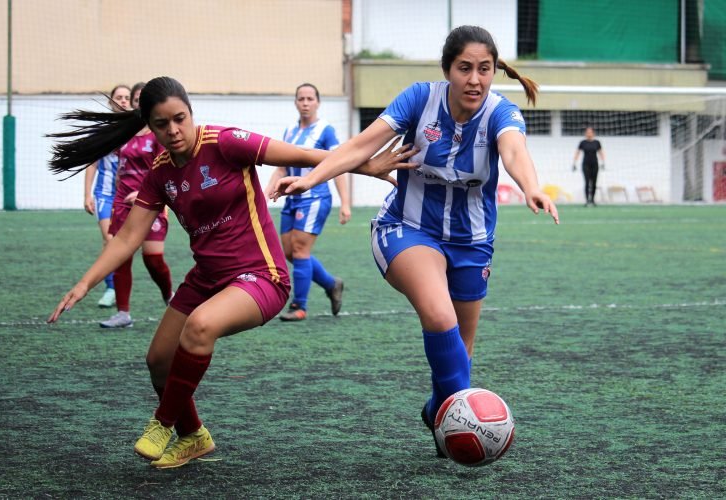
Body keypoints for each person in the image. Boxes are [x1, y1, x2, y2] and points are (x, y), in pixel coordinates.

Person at [46, 76, 415, 469]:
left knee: (200, 327)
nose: (173, 131)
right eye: (161, 124)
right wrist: (85, 282)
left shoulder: (224, 142)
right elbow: (126, 239)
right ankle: (192, 437)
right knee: (158, 360)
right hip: (206, 278)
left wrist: (366, 165)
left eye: (179, 118)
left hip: (262, 276)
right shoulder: (160, 172)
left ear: (190, 112)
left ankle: (162, 422)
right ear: (149, 126)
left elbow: (304, 154)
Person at [271, 26, 559, 459]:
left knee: (460, 353)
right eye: (465, 69)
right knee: (438, 313)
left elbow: (515, 151)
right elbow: (359, 146)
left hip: (473, 243)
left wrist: (531, 186)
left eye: (484, 69)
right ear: (447, 70)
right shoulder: (418, 100)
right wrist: (311, 178)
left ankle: (439, 413)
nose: (475, 80)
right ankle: (465, 422)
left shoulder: (503, 112)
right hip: (406, 228)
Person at [264, 83, 350, 322]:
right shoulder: (290, 132)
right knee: (290, 253)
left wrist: (345, 202)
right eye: (301, 98)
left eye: (310, 98)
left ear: (317, 102)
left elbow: (340, 165)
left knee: (301, 250)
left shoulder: (326, 130)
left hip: (315, 198)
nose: (305, 102)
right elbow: (281, 168)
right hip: (292, 199)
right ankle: (332, 284)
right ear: (295, 102)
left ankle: (299, 306)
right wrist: (269, 188)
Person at [99, 81, 174, 328]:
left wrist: (146, 194)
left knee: (153, 259)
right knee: (120, 257)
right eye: (136, 99)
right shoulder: (124, 133)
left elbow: (166, 169)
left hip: (150, 202)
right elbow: (120, 170)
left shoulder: (159, 134)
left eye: (145, 98)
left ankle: (169, 297)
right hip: (123, 203)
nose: (140, 103)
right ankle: (123, 314)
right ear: (132, 104)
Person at [83, 84, 131, 308]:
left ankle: (118, 286)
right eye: (119, 97)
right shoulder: (102, 129)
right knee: (110, 239)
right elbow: (92, 162)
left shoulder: (136, 129)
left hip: (128, 194)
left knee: (128, 245)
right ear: (110, 102)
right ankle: (111, 288)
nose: (123, 101)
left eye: (126, 98)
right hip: (104, 193)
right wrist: (87, 195)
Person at [572, 126, 605, 206]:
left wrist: (603, 162)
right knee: (587, 182)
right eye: (587, 132)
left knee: (594, 183)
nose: (588, 134)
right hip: (585, 164)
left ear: (593, 133)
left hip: (595, 164)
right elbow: (577, 152)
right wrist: (574, 163)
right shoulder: (583, 142)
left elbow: (601, 152)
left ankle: (593, 200)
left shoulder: (597, 142)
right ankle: (587, 200)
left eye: (590, 132)